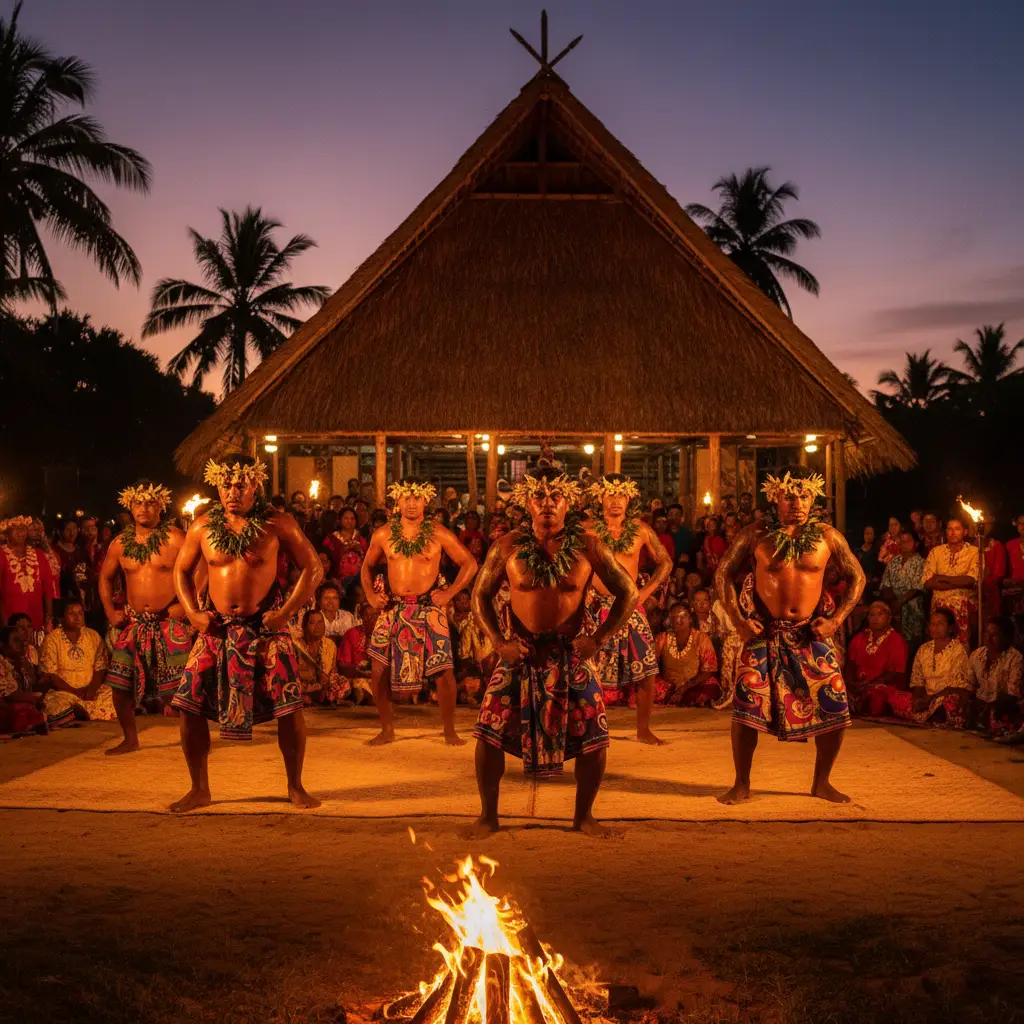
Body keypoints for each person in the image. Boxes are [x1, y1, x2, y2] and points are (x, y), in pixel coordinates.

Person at [470, 468, 637, 837]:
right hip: (520, 652)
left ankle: (584, 816)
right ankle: (488, 816)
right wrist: (499, 642)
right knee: (488, 732)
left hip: (571, 653)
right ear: (526, 502)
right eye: (539, 497)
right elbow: (478, 595)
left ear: (570, 501)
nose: (547, 504)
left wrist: (600, 638)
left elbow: (629, 591)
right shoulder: (507, 546)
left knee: (595, 736)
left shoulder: (589, 545)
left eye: (556, 496)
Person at [170, 455, 324, 812]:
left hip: (266, 630)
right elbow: (181, 571)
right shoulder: (203, 526)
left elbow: (312, 568)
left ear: (255, 484)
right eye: (225, 484)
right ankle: (199, 788)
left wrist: (285, 614)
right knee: (188, 704)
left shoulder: (277, 523)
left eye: (240, 484)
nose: (232, 491)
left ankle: (295, 786)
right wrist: (193, 612)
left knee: (290, 707)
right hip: (216, 629)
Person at [715, 468, 865, 804]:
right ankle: (741, 783)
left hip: (809, 635)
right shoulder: (755, 534)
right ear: (774, 497)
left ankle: (821, 782)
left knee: (835, 706)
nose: (798, 503)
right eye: (789, 495)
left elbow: (858, 577)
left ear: (814, 498)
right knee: (746, 707)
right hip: (763, 632)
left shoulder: (828, 537)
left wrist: (836, 619)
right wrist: (738, 620)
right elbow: (723, 572)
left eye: (805, 495)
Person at [361, 479, 477, 746]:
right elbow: (366, 567)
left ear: (426, 501)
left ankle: (449, 730)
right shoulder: (383, 533)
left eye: (417, 498)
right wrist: (370, 594)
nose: (411, 503)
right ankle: (387, 728)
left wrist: (449, 593)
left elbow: (469, 563)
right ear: (397, 501)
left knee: (443, 670)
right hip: (393, 606)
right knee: (378, 667)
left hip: (429, 606)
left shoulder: (439, 533)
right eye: (406, 498)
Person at [99, 481, 197, 754]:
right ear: (129, 506)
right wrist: (110, 611)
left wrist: (187, 607)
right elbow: (105, 579)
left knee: (177, 690)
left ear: (161, 506)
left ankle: (195, 740)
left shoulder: (176, 538)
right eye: (138, 503)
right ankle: (130, 738)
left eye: (150, 502)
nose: (143, 508)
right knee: (119, 685)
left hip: (170, 621)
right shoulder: (120, 544)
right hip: (134, 623)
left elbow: (199, 573)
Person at [583, 474, 671, 743]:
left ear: (630, 498)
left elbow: (665, 562)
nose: (616, 501)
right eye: (611, 495)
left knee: (646, 669)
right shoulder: (586, 529)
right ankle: (588, 727)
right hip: (595, 605)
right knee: (586, 668)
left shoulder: (641, 529)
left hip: (631, 605)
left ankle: (643, 729)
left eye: (622, 495)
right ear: (600, 498)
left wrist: (644, 592)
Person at [871, 608, 971, 728]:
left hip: (943, 698)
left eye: (940, 624)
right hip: (926, 699)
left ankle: (935, 715)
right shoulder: (924, 649)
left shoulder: (958, 649)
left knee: (952, 701)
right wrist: (918, 699)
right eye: (932, 624)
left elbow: (958, 687)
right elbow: (917, 681)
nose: (935, 627)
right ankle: (929, 715)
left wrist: (930, 699)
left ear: (950, 628)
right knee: (889, 693)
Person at [40, 599, 116, 727]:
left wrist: (91, 690)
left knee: (112, 696)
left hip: (90, 690)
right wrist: (76, 692)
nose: (77, 618)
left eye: (80, 613)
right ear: (62, 617)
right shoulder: (52, 639)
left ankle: (77, 713)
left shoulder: (93, 636)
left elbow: (100, 668)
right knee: (54, 704)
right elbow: (51, 675)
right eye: (71, 614)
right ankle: (80, 712)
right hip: (65, 692)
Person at [922, 516, 979, 647]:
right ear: (945, 532)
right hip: (939, 608)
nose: (953, 532)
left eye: (957, 529)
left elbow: (970, 580)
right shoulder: (936, 552)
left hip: (963, 609)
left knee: (961, 647)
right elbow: (927, 582)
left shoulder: (974, 552)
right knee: (939, 645)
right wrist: (957, 581)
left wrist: (942, 577)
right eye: (950, 529)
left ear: (965, 532)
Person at [844, 601, 908, 715]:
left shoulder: (896, 640)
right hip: (859, 685)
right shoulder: (859, 638)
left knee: (877, 693)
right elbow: (850, 665)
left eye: (880, 614)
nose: (875, 618)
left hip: (882, 684)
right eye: (872, 615)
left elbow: (895, 673)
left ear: (889, 618)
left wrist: (869, 684)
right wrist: (852, 683)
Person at [656, 603, 719, 706]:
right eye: (674, 617)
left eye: (682, 616)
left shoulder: (701, 638)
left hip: (694, 684)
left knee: (709, 689)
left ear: (690, 619)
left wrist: (685, 687)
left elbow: (709, 670)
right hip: (670, 686)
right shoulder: (662, 638)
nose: (677, 620)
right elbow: (651, 666)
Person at [968, 616, 1022, 736]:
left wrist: (991, 706)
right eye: (987, 633)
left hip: (1001, 707)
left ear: (1005, 637)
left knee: (999, 715)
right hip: (981, 706)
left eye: (995, 634)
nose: (989, 638)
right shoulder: (977, 655)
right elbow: (969, 685)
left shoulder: (1015, 658)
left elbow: (1012, 694)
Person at [0, 515, 53, 635]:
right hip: (10, 623)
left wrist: (49, 618)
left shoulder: (38, 554)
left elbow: (48, 588)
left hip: (36, 623)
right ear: (7, 532)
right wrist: (5, 626)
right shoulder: (1, 554)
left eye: (23, 528)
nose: (20, 533)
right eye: (15, 529)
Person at [880, 530, 927, 649]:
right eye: (901, 542)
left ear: (915, 543)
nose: (904, 545)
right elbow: (885, 584)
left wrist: (899, 603)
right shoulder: (893, 561)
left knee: (912, 645)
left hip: (913, 610)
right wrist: (892, 602)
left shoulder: (921, 562)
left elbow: (918, 588)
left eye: (908, 541)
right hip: (894, 609)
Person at [295, 608, 348, 706]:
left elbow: (333, 670)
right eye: (312, 623)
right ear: (304, 626)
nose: (317, 626)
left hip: (323, 685)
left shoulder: (330, 645)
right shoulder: (297, 645)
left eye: (320, 622)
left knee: (343, 683)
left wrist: (328, 680)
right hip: (303, 686)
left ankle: (321, 697)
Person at [0, 626, 48, 735]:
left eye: (23, 641)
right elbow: (8, 695)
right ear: (3, 645)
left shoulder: (25, 663)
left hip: (22, 704)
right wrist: (33, 697)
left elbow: (33, 686)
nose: (21, 644)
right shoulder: (2, 663)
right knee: (19, 710)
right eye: (16, 640)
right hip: (6, 706)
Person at [322, 507, 367, 587]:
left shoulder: (361, 539)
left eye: (352, 518)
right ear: (339, 520)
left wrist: (359, 550)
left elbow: (367, 559)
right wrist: (342, 551)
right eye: (346, 518)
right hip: (336, 580)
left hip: (358, 581)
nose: (349, 521)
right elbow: (325, 559)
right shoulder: (330, 539)